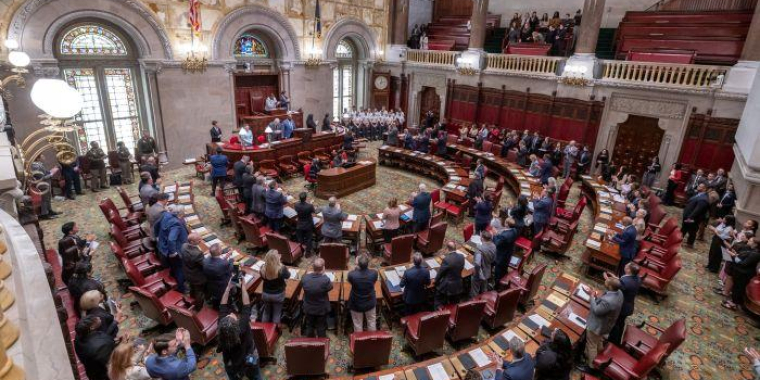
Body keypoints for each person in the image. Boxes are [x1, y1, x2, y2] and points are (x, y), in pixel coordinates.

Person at [218, 279, 261, 380]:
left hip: (231, 363)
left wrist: (228, 288)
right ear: (236, 325)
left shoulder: (222, 327)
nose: (231, 313)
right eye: (231, 316)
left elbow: (222, 306)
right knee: (256, 376)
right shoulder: (242, 328)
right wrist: (243, 287)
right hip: (249, 360)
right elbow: (246, 305)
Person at [579, 278, 623, 371]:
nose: (605, 281)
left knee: (591, 345)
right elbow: (605, 305)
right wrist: (596, 297)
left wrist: (591, 296)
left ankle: (591, 366)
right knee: (598, 341)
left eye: (607, 282)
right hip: (607, 325)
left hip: (597, 326)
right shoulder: (620, 293)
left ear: (611, 286)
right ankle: (600, 356)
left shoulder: (608, 301)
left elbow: (596, 310)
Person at [154, 205, 188, 293]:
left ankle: (175, 279)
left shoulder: (166, 215)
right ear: (180, 214)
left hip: (163, 247)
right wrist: (174, 252)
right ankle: (181, 288)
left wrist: (157, 236)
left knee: (174, 267)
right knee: (179, 269)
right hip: (175, 249)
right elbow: (171, 239)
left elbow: (156, 225)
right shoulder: (176, 223)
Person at [606, 263, 642, 345]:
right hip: (629, 305)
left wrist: (608, 280)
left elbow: (615, 290)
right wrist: (615, 277)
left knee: (615, 325)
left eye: (626, 266)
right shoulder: (637, 278)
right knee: (621, 323)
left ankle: (612, 343)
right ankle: (617, 340)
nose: (625, 266)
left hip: (622, 307)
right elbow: (624, 282)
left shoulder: (625, 282)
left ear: (629, 270)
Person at [74, 315, 118, 380]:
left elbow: (99, 339)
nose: (99, 317)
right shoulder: (101, 347)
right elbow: (113, 363)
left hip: (91, 370)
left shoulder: (79, 336)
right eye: (95, 319)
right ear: (92, 327)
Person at [301, 258, 333, 337]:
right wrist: (324, 274)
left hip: (308, 308)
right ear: (323, 268)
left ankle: (310, 344)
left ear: (313, 267)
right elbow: (330, 288)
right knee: (321, 327)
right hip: (321, 309)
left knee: (310, 325)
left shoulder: (305, 278)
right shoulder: (325, 279)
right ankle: (321, 344)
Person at [347, 254, 378, 332]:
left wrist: (355, 269)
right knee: (372, 322)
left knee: (357, 324)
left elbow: (351, 282)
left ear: (358, 265)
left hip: (356, 303)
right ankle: (372, 339)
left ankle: (359, 341)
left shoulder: (352, 274)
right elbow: (373, 282)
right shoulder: (374, 273)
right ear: (368, 264)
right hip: (370, 302)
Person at [260, 250, 291, 323]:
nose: (280, 254)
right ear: (276, 259)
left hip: (266, 294)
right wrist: (280, 263)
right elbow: (288, 276)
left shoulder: (262, 268)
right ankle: (274, 330)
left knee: (266, 312)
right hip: (278, 295)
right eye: (278, 255)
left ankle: (264, 329)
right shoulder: (281, 269)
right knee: (276, 313)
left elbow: (262, 278)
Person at [434, 241, 465, 309]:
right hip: (458, 284)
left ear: (447, 249)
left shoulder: (447, 259)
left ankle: (438, 313)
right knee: (454, 303)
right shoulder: (461, 256)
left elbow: (441, 273)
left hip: (448, 286)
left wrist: (435, 281)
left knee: (438, 300)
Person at [181, 233, 207, 309]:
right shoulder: (197, 254)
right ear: (192, 242)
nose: (200, 241)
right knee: (199, 292)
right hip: (197, 277)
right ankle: (199, 308)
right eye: (198, 240)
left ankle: (191, 300)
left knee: (192, 288)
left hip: (187, 273)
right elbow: (204, 264)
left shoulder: (184, 246)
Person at [203, 243, 232, 310]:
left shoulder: (205, 260)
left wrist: (225, 257)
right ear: (219, 252)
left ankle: (215, 308)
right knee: (226, 302)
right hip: (222, 287)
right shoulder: (224, 264)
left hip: (211, 286)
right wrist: (231, 258)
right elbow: (231, 269)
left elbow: (218, 265)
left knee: (215, 300)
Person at [682, 183, 710, 248]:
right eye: (699, 186)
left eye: (700, 186)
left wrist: (690, 217)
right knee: (684, 229)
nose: (698, 187)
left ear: (705, 189)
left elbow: (697, 210)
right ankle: (678, 240)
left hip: (693, 218)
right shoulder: (697, 194)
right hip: (688, 216)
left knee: (692, 231)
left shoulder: (704, 199)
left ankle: (690, 244)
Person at [493, 218, 518, 286]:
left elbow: (496, 243)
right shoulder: (514, 230)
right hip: (508, 252)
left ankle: (497, 285)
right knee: (504, 268)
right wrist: (499, 234)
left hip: (501, 255)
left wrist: (495, 235)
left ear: (507, 224)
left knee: (498, 271)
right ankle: (504, 277)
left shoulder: (504, 236)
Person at [471, 231, 495, 297]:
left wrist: (475, 272)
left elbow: (477, 263)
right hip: (487, 270)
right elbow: (493, 259)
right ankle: (484, 299)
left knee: (475, 290)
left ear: (482, 238)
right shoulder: (493, 246)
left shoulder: (479, 248)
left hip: (479, 272)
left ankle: (474, 302)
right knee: (484, 288)